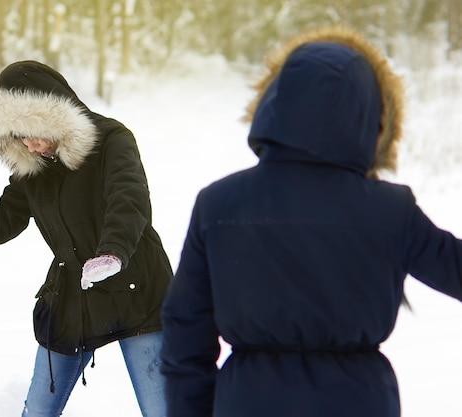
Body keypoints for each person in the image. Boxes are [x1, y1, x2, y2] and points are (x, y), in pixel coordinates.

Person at [159, 25, 462, 417]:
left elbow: (185, 332)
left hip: (248, 403)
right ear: (368, 114)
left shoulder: (218, 204)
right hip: (358, 403)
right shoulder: (390, 210)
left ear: (275, 103)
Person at [0, 60, 172, 417]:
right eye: (18, 136)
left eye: (32, 130)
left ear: (54, 112)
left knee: (164, 409)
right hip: (74, 295)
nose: (29, 145)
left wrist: (112, 253)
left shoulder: (111, 139)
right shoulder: (33, 167)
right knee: (38, 412)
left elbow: (129, 199)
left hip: (138, 289)